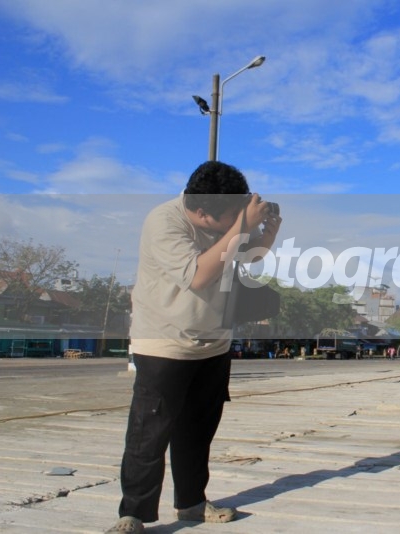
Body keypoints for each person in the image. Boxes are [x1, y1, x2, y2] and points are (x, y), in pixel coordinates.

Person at [107, 161, 281, 533]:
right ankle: (132, 514)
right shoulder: (164, 222)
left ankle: (191, 503)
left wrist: (267, 234)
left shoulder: (227, 221)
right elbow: (199, 276)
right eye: (231, 216)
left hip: (213, 343)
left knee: (198, 430)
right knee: (149, 432)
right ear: (202, 213)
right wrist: (241, 226)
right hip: (165, 343)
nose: (238, 220)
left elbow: (249, 256)